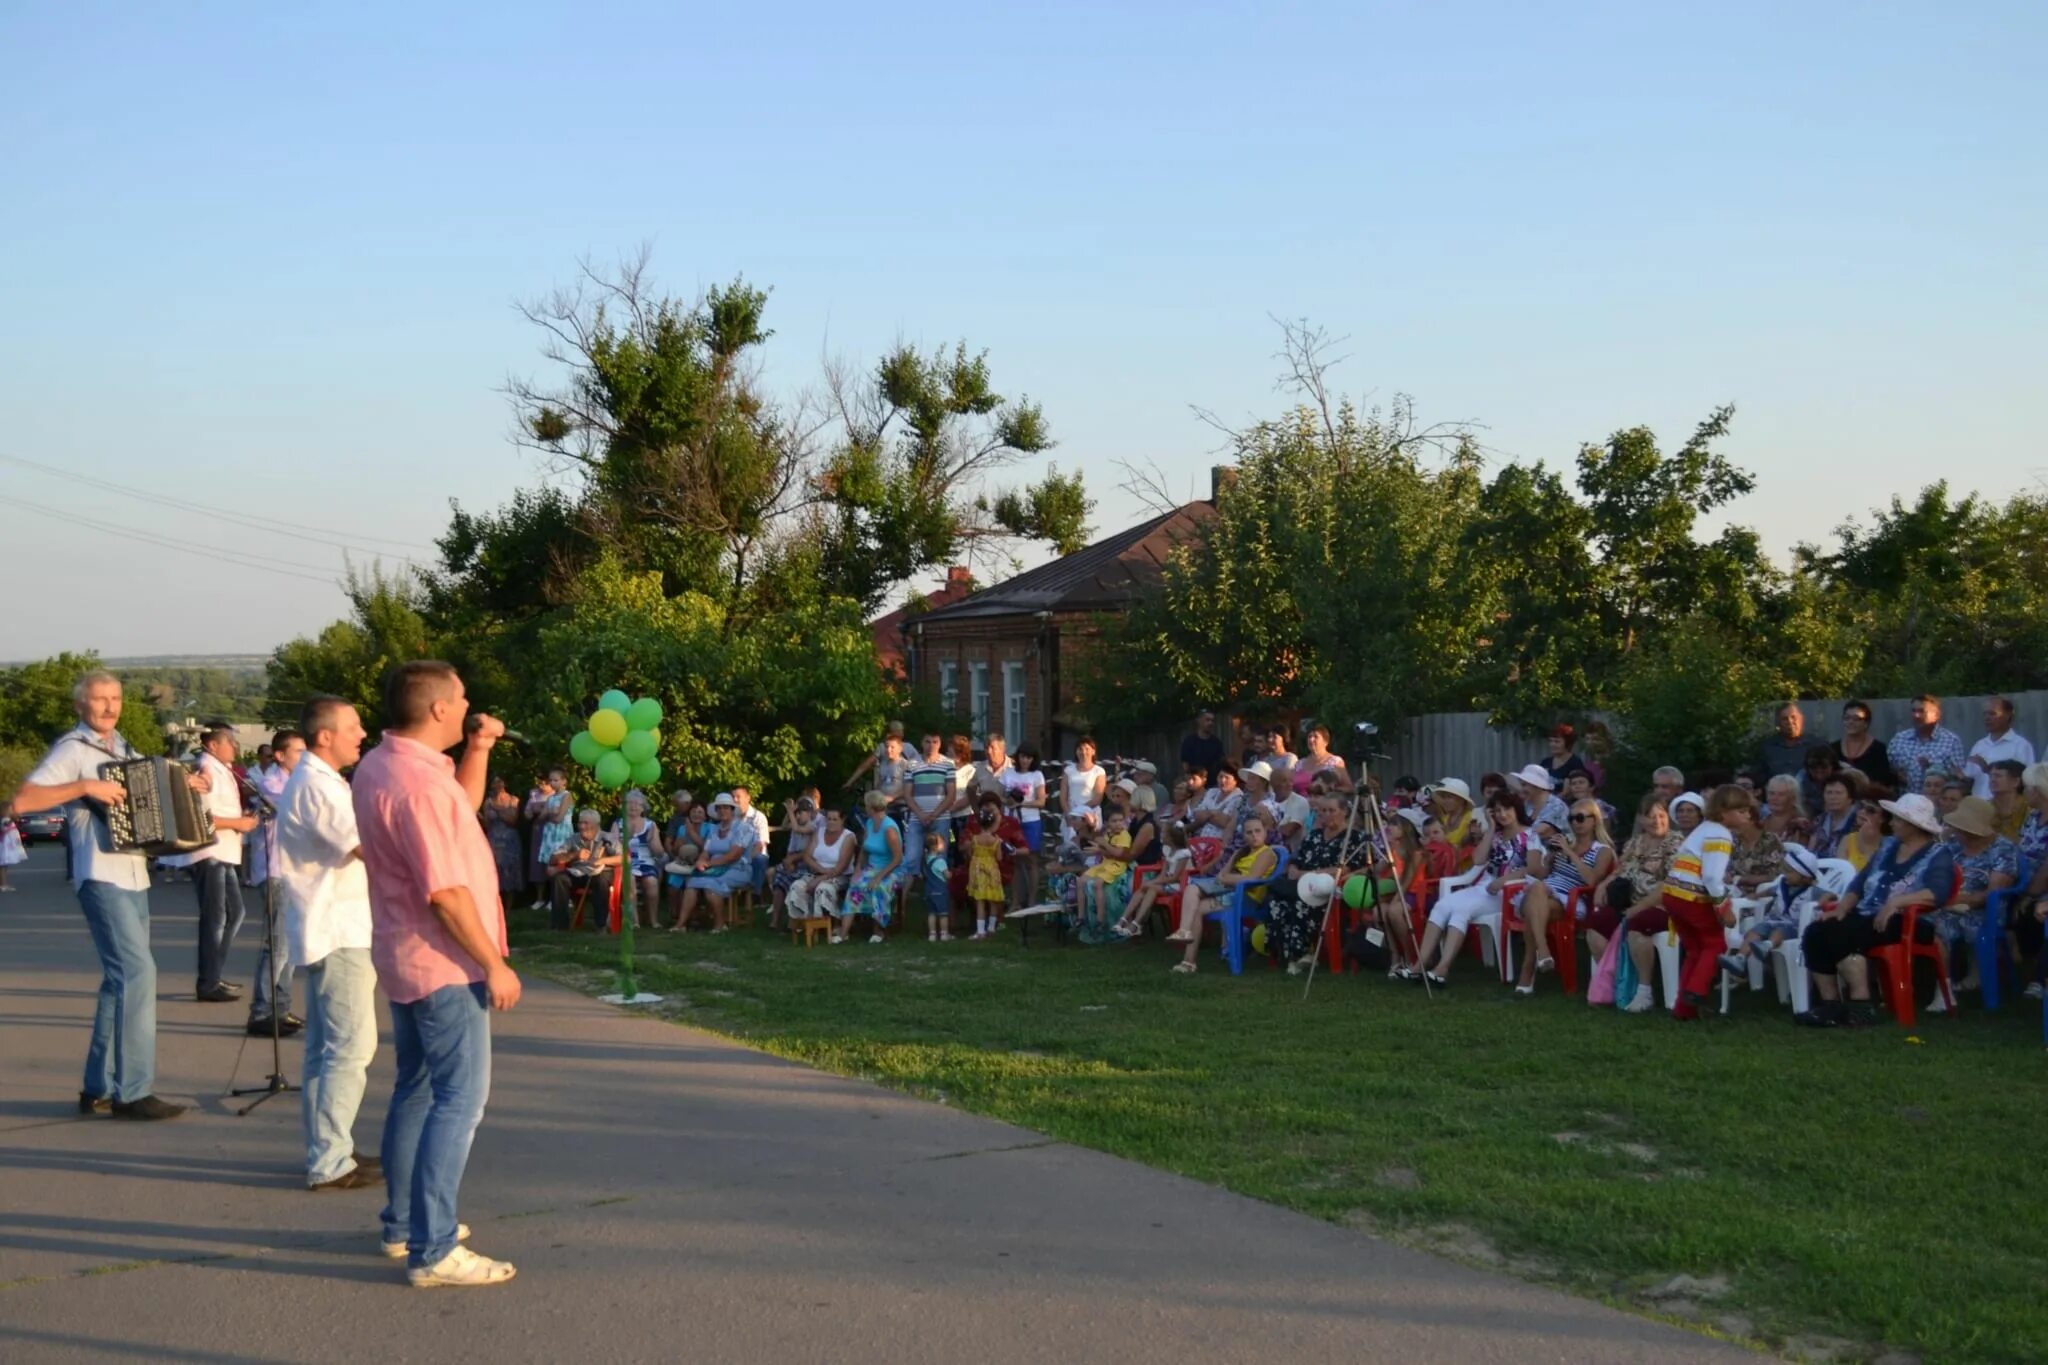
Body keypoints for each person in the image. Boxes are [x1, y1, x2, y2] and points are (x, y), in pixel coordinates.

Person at [350, 660, 520, 1286]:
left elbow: (463, 807)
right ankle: (435, 1249)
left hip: (406, 955)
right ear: (440, 709)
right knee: (459, 1101)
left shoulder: (387, 763)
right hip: (444, 962)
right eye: (463, 699)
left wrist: (479, 748)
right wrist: (492, 963)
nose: (470, 701)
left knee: (417, 1090)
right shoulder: (415, 785)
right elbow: (445, 893)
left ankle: (404, 1225)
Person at [11, 670, 196, 1119]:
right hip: (100, 873)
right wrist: (83, 786)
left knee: (120, 983)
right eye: (99, 700)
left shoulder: (124, 748)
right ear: (80, 706)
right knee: (138, 973)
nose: (110, 707)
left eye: (115, 698)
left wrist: (186, 786)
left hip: (133, 872)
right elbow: (22, 800)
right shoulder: (72, 749)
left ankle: (97, 1086)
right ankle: (132, 1092)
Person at [277, 695, 381, 1190]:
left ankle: (331, 1147)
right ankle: (329, 1159)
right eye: (354, 726)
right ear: (325, 736)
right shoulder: (319, 787)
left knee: (326, 1050)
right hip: (338, 930)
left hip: (331, 927)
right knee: (350, 1047)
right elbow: (366, 848)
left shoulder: (321, 781)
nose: (362, 733)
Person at [1796, 793, 1954, 1029]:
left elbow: (1937, 892)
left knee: (1844, 933)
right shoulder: (1889, 846)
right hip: (1868, 914)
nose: (1891, 824)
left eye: (1898, 820)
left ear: (1914, 826)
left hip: (1911, 920)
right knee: (1817, 931)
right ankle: (1831, 1004)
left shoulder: (1938, 854)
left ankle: (1861, 1004)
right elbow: (1860, 883)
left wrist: (1896, 902)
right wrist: (1842, 907)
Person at [163, 724, 265, 1012]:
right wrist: (238, 824)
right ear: (213, 745)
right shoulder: (206, 767)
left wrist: (239, 818)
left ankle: (213, 976)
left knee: (235, 913)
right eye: (229, 741)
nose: (234, 746)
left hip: (224, 851)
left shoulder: (224, 769)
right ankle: (208, 982)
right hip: (211, 852)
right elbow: (202, 816)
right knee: (216, 918)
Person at [1655, 784, 1759, 1022]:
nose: (1747, 816)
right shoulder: (1720, 834)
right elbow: (1712, 876)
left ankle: (1684, 1009)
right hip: (1692, 896)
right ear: (1724, 812)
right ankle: (1696, 991)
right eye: (1741, 811)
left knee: (1694, 949)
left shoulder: (1703, 829)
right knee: (1714, 944)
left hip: (1673, 894)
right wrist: (1724, 907)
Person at [1414, 789, 1531, 987]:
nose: (1502, 815)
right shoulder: (1495, 835)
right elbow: (1478, 859)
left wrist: (1505, 880)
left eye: (1506, 809)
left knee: (1461, 910)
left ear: (1516, 809)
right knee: (1442, 905)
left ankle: (1442, 968)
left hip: (1511, 891)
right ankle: (1419, 965)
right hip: (1485, 887)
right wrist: (1492, 829)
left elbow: (1535, 868)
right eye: (1497, 811)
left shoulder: (1530, 835)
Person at [1518, 798, 1615, 995]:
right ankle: (1542, 952)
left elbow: (1591, 881)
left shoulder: (1603, 850)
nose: (1575, 823)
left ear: (1594, 820)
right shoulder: (1565, 842)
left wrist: (1570, 853)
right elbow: (1544, 875)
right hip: (1546, 892)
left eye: (1580, 818)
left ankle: (1530, 965)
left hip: (1572, 898)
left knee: (1534, 901)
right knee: (1537, 892)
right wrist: (1550, 858)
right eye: (1571, 819)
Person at [243, 728, 305, 1037]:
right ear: (280, 756)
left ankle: (281, 1008)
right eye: (298, 752)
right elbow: (295, 808)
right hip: (275, 872)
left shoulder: (295, 783)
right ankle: (262, 1011)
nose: (304, 758)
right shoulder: (272, 784)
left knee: (290, 944)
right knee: (277, 945)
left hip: (293, 873)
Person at [1925, 797, 2015, 1008]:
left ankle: (1943, 993)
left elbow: (1993, 892)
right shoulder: (1953, 845)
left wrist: (1953, 899)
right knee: (1926, 919)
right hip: (1947, 903)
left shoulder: (2003, 849)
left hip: (1985, 910)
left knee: (1939, 925)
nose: (1956, 830)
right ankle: (1934, 984)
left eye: (1961, 827)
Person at [1165, 813, 1279, 975]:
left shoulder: (1267, 853)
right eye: (1249, 832)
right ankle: (1188, 960)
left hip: (1247, 898)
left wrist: (1229, 878)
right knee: (1194, 901)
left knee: (1194, 890)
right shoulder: (1240, 852)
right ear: (1243, 835)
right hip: (1230, 893)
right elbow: (1220, 876)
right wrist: (1231, 879)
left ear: (1265, 832)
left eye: (1257, 831)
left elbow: (1251, 878)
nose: (1254, 836)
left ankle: (1184, 932)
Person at [1585, 795, 1681, 967]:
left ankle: (1643, 988)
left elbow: (1670, 885)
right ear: (1641, 819)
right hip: (1627, 903)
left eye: (1661, 816)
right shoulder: (1635, 842)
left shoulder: (1675, 843)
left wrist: (1638, 908)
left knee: (1637, 923)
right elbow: (1620, 869)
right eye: (1651, 817)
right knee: (1596, 921)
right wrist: (1604, 884)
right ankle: (1611, 978)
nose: (1657, 821)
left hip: (1660, 906)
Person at [675, 794, 754, 933]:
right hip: (714, 867)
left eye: (726, 808)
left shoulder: (743, 828)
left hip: (737, 868)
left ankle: (719, 924)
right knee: (692, 883)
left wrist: (710, 864)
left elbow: (733, 855)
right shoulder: (714, 829)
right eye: (719, 808)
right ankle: (680, 925)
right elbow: (706, 850)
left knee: (711, 886)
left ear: (732, 810)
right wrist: (701, 861)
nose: (722, 811)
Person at [841, 789, 905, 944]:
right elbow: (864, 849)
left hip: (892, 869)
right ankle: (843, 932)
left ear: (871, 807)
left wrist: (878, 877)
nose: (865, 808)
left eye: (866, 805)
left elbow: (898, 858)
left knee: (879, 887)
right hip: (872, 868)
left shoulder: (889, 828)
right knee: (855, 886)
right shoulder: (869, 823)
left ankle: (879, 930)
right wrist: (857, 870)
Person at [964, 794, 1028, 941]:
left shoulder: (974, 839)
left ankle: (980, 931)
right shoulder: (996, 841)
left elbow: (970, 852)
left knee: (980, 900)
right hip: (993, 871)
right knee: (993, 899)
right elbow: (999, 857)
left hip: (978, 872)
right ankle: (992, 928)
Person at [786, 806, 855, 924]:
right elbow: (807, 856)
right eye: (828, 819)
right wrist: (821, 870)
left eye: (835, 819)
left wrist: (820, 878)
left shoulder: (848, 837)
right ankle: (804, 922)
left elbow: (841, 867)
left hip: (838, 876)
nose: (831, 822)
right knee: (797, 886)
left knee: (823, 889)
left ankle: (828, 923)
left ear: (842, 820)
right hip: (816, 872)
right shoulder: (819, 832)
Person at [1889, 695, 1966, 794]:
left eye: (1922, 711)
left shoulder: (1951, 741)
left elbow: (1958, 780)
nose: (1916, 715)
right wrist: (1896, 774)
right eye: (1913, 711)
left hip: (1936, 806)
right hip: (1905, 804)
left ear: (1937, 715)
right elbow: (1886, 771)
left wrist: (1932, 768)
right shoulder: (1899, 740)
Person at [613, 789, 666, 930]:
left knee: (652, 882)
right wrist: (627, 838)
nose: (633, 806)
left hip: (646, 861)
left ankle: (653, 920)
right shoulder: (618, 823)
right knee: (629, 879)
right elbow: (612, 848)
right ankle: (634, 921)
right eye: (630, 803)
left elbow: (660, 852)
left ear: (643, 807)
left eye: (637, 804)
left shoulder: (650, 825)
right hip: (625, 861)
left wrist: (651, 841)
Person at [1965, 696, 2035, 801]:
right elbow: (1969, 778)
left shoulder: (2021, 745)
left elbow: (2026, 781)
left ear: (2007, 715)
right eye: (1985, 714)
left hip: (2007, 808)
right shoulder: (1979, 745)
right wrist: (1959, 775)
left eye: (1992, 713)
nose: (1987, 718)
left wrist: (1988, 769)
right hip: (1979, 807)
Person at [768, 796, 821, 929]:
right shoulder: (795, 827)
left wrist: (790, 811)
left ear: (809, 813)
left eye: (800, 812)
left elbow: (799, 834)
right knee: (779, 882)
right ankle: (775, 921)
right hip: (794, 864)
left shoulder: (813, 827)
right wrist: (788, 811)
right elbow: (785, 826)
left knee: (794, 883)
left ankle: (794, 923)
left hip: (808, 866)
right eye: (796, 813)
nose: (797, 816)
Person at [524, 770, 572, 910]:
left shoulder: (566, 796)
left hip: (561, 833)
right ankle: (552, 897)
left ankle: (563, 898)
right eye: (551, 780)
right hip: (549, 834)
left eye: (556, 780)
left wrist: (549, 814)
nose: (553, 783)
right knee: (549, 866)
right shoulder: (551, 798)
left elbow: (559, 818)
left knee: (561, 864)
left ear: (564, 781)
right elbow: (540, 817)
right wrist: (550, 813)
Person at [1059, 736, 1109, 855]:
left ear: (1093, 751)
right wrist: (1069, 813)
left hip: (1090, 814)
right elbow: (1063, 795)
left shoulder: (1099, 771)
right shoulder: (1068, 770)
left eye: (1087, 749)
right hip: (1071, 815)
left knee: (1089, 849)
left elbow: (1098, 797)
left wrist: (1079, 813)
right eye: (1080, 749)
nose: (1083, 752)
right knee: (1070, 849)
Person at [482, 777, 525, 910]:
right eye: (494, 782)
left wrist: (498, 809)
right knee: (494, 870)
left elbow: (513, 820)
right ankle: (496, 904)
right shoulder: (488, 802)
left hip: (509, 840)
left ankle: (510, 906)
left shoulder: (513, 800)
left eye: (500, 782)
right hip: (494, 838)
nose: (497, 785)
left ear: (505, 783)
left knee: (510, 869)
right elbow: (486, 824)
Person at [1832, 700, 1892, 792]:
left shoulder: (1878, 749)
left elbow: (1883, 781)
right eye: (1847, 718)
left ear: (1866, 723)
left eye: (1856, 719)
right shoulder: (1833, 748)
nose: (1850, 722)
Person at [1757, 703, 1824, 778]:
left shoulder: (1817, 745)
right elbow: (1759, 775)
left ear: (1801, 719)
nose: (1790, 722)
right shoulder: (1768, 747)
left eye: (1793, 717)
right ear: (1778, 723)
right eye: (1785, 719)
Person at [841, 718, 907, 792]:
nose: (888, 750)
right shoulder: (882, 747)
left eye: (901, 731)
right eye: (899, 731)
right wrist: (850, 782)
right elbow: (866, 764)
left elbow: (919, 764)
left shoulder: (908, 748)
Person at [731, 785, 773, 892]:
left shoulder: (758, 817)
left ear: (747, 798)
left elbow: (760, 845)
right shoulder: (732, 817)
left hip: (753, 855)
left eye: (738, 796)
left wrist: (746, 859)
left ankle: (755, 893)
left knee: (760, 859)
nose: (735, 800)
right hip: (735, 854)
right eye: (733, 797)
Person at [1807, 775, 1860, 860]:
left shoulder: (1859, 822)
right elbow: (1811, 850)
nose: (1832, 797)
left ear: (1850, 798)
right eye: (1829, 792)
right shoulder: (1819, 820)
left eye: (1838, 793)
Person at [1510, 765, 1570, 839]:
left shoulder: (1557, 806)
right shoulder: (1527, 804)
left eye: (1524, 785)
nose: (1521, 789)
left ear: (1537, 785)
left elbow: (1540, 832)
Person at [1294, 724, 1351, 794]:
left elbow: (1349, 787)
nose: (1311, 739)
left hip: (1324, 803)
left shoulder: (1335, 762)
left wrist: (1331, 790)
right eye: (1309, 737)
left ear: (1325, 742)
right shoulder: (1300, 764)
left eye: (1315, 737)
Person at [1758, 775, 1809, 849]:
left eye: (1781, 794)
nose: (1774, 798)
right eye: (1771, 793)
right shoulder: (1761, 822)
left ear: (1793, 798)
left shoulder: (1801, 825)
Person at [921, 830, 953, 941]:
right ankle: (944, 933)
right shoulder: (940, 861)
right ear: (935, 847)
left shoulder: (926, 860)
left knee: (932, 913)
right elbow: (946, 875)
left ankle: (932, 934)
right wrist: (950, 874)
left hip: (929, 891)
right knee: (943, 913)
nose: (944, 845)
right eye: (942, 843)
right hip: (940, 891)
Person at [1179, 710, 1224, 786]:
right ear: (1199, 721)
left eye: (1212, 720)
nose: (1210, 723)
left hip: (1212, 785)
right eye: (1207, 720)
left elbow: (1221, 762)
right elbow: (1185, 763)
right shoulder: (1189, 741)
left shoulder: (1216, 742)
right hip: (1194, 783)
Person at [1540, 724, 1591, 790]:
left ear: (1567, 743)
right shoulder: (1545, 762)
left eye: (1557, 741)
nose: (1552, 744)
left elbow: (1571, 791)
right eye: (1550, 741)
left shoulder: (1575, 763)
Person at [0, 800, 22, 892]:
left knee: (5, 865)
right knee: (3, 864)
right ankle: (3, 885)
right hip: (5, 844)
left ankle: (4, 884)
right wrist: (12, 820)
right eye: (10, 809)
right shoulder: (5, 819)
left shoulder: (6, 819)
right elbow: (4, 828)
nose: (11, 810)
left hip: (7, 844)